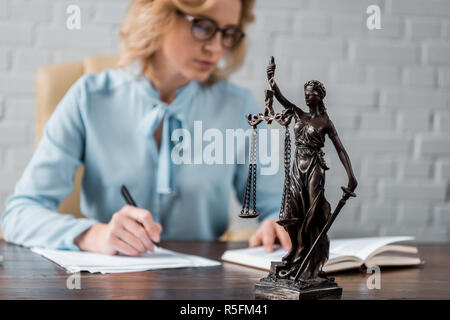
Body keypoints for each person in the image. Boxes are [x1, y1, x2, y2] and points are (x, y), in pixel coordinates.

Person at [1, 0, 291, 256]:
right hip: (109, 285)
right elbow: (18, 214)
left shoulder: (239, 107)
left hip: (203, 287)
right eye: (203, 27)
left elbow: (280, 209)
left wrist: (280, 226)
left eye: (228, 33)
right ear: (158, 15)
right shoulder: (88, 98)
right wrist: (94, 235)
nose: (216, 47)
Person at [266, 57, 358, 278]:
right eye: (306, 93)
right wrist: (271, 78)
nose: (307, 96)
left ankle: (311, 257)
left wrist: (350, 176)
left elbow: (341, 150)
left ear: (320, 96)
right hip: (297, 167)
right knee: (294, 211)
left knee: (313, 211)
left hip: (315, 167)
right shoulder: (299, 113)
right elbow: (279, 97)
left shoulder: (325, 122)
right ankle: (295, 252)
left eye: (312, 93)